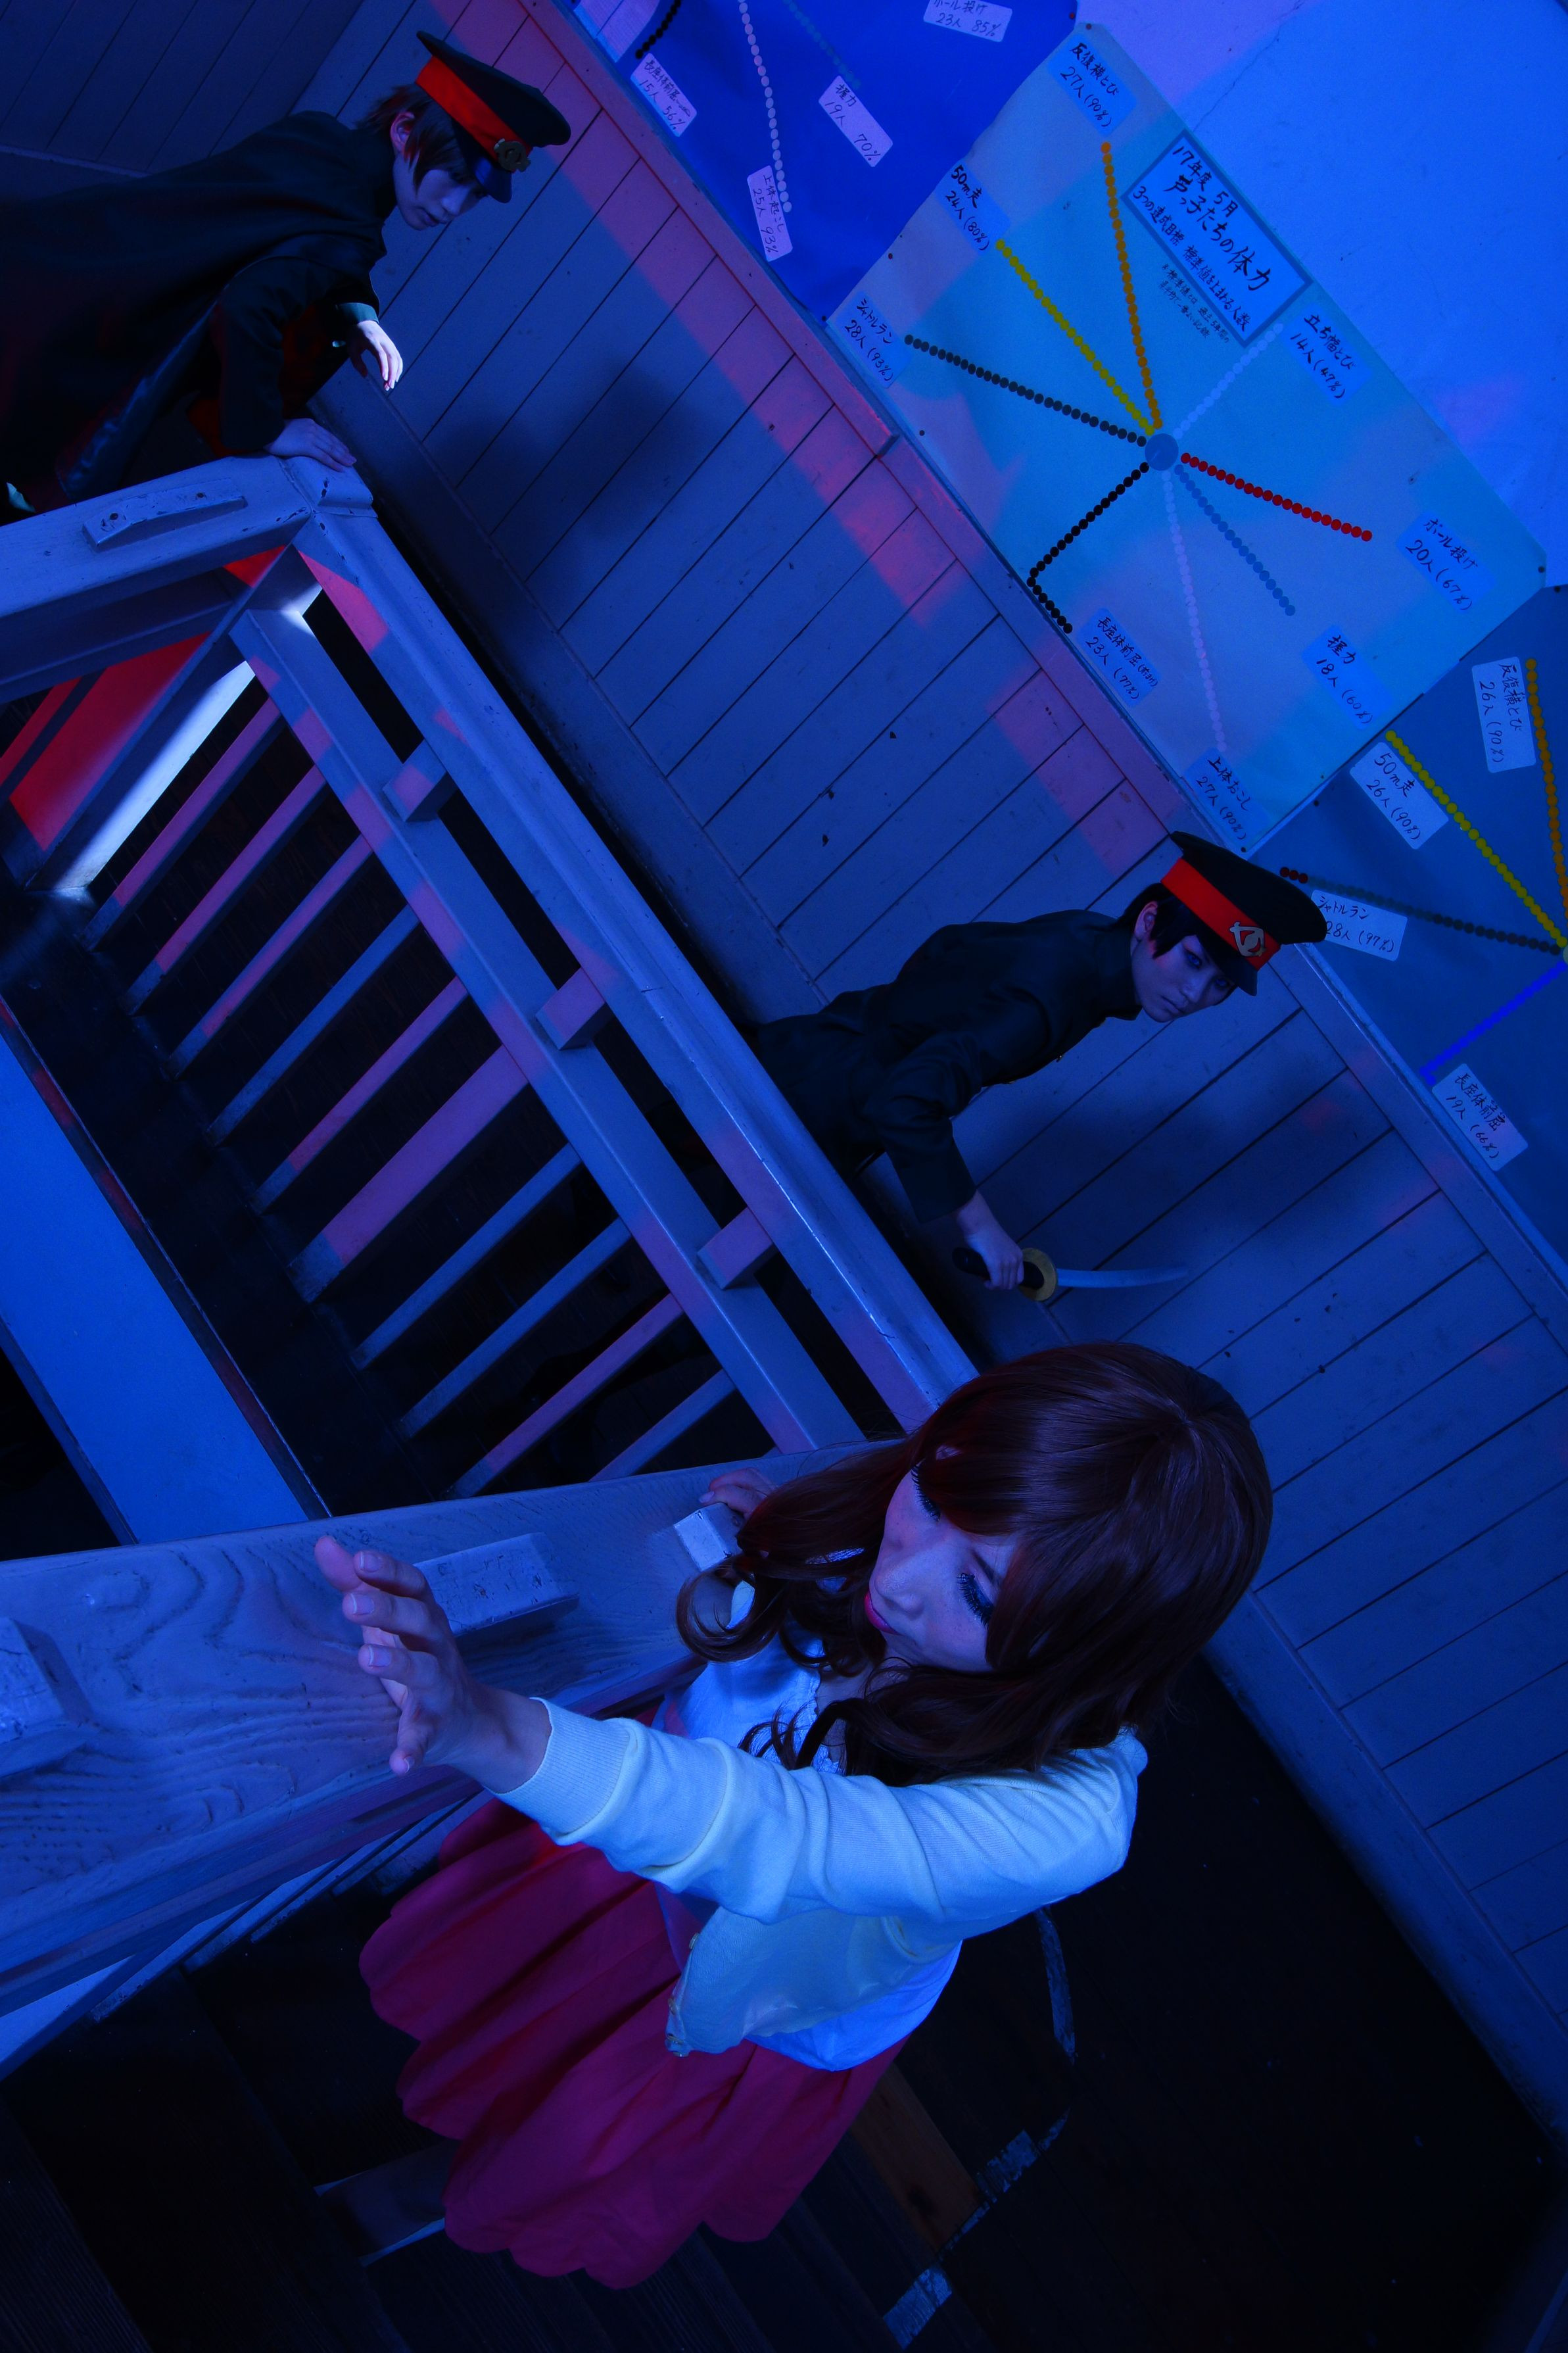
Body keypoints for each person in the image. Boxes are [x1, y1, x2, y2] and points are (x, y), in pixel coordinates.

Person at [315, 1340, 1271, 2285]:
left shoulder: (1065, 1824)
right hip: (630, 1850)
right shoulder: (876, 1550)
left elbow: (782, 1834)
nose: (899, 1580)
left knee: (542, 2135)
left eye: (978, 1593)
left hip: (736, 1986)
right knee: (493, 2037)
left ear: (1084, 1650)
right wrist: (797, 1540)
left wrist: (485, 1725)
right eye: (931, 1493)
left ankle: (398, 2205)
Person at [0, 34, 569, 514]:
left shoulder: (316, 140)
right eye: (455, 179)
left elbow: (287, 243)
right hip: (87, 345)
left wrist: (357, 315)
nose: (453, 208)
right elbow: (250, 303)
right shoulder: (349, 230)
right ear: (404, 132)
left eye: (474, 196)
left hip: (64, 259)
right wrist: (266, 428)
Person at [751, 833, 1328, 1290]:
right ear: (1149, 922)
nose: (1194, 994)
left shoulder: (1088, 940)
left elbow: (949, 945)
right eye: (1194, 961)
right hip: (808, 1103)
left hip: (813, 1060)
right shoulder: (1058, 991)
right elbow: (907, 1100)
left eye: (1220, 985)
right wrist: (982, 1229)